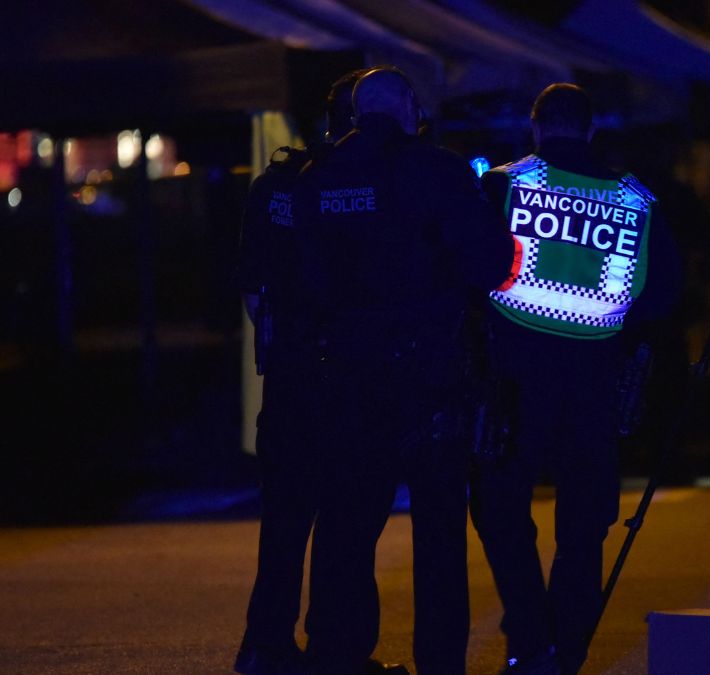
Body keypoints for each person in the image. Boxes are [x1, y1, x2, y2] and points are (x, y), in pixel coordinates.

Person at [291, 66, 516, 675]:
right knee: (438, 536)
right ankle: (439, 663)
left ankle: (337, 656)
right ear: (411, 108)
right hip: (431, 378)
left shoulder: (317, 177)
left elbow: (306, 281)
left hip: (349, 377)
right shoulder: (438, 169)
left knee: (345, 528)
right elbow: (491, 263)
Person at [469, 83, 680, 675]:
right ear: (591, 130)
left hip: (513, 377)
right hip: (595, 377)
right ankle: (568, 649)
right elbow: (663, 293)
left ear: (536, 126)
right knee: (584, 524)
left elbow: (472, 268)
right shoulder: (636, 198)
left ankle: (530, 636)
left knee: (499, 507)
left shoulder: (506, 184)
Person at [234, 68, 366, 675]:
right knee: (344, 524)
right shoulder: (364, 184)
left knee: (284, 526)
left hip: (289, 377)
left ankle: (266, 646)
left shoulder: (275, 184)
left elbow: (252, 286)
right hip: (349, 380)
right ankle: (332, 652)